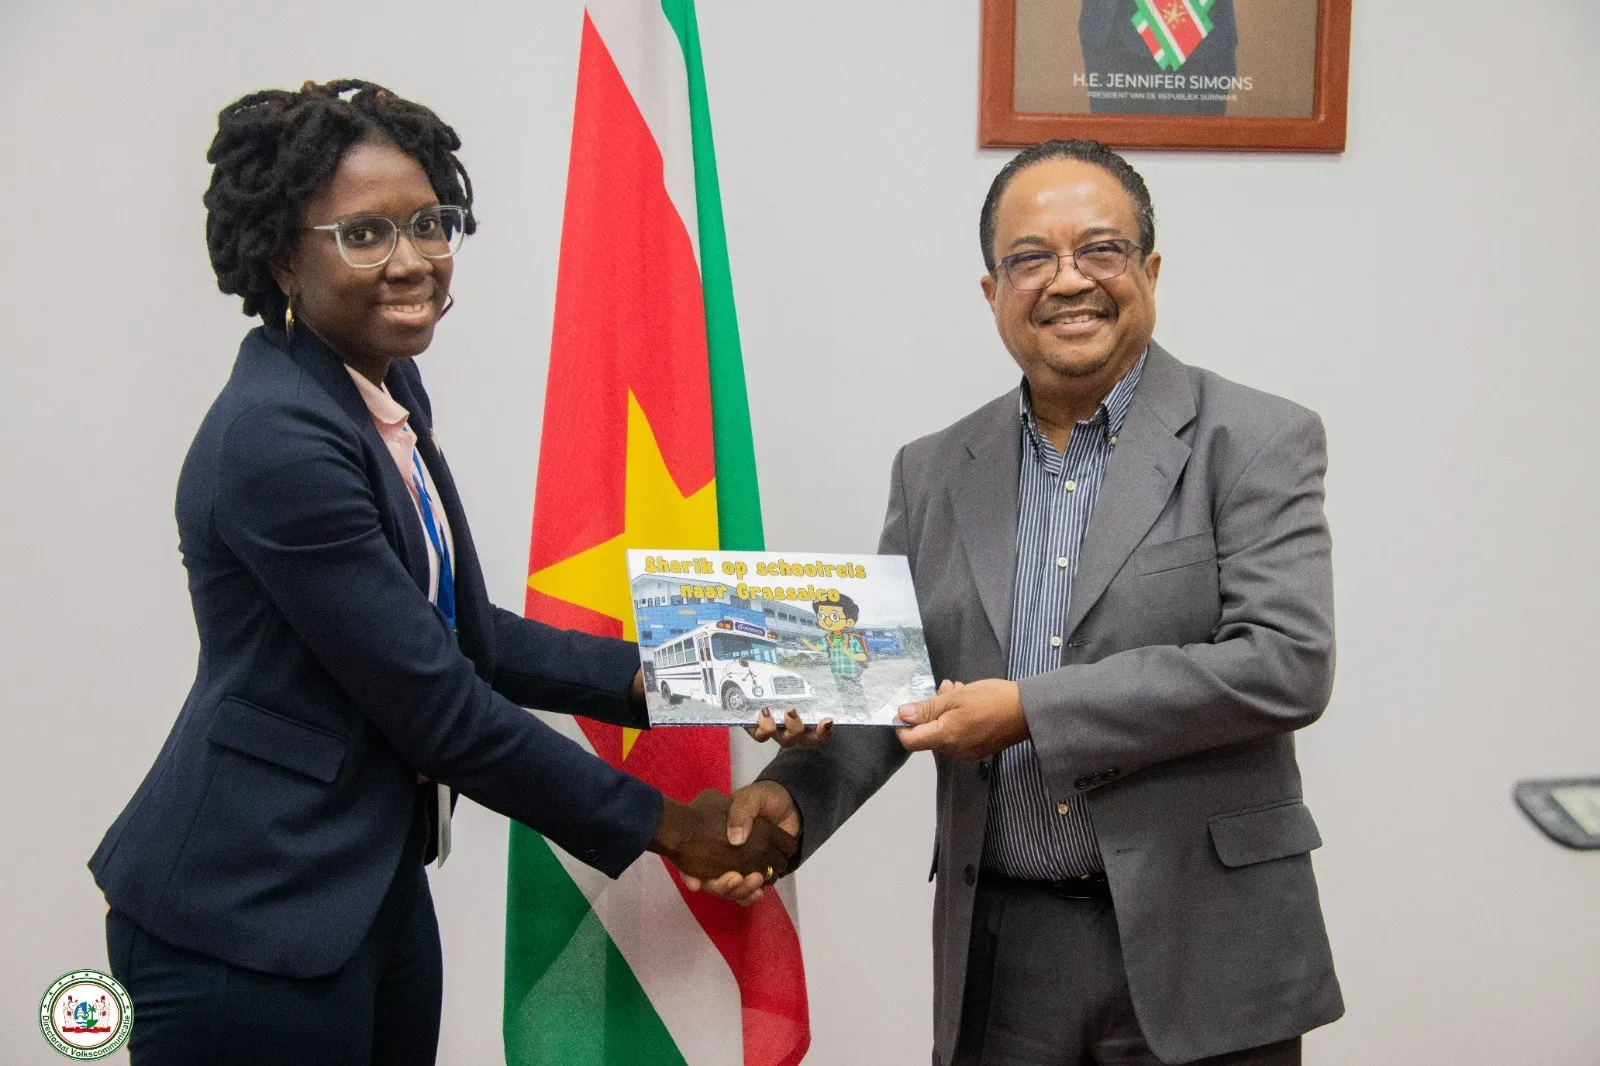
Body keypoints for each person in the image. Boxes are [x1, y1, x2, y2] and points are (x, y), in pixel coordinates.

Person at [88, 80, 792, 1066]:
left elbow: (460, 632)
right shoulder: (277, 439)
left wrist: (709, 668)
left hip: (363, 884)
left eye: (430, 222)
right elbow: (440, 709)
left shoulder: (372, 386)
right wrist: (674, 827)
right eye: (364, 235)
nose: (413, 258)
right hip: (245, 913)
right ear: (285, 256)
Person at [713, 140, 1342, 1064]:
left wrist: (1030, 711)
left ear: (1150, 271)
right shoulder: (934, 469)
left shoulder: (1254, 439)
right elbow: (893, 683)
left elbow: (1285, 663)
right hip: (1005, 952)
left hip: (1204, 947)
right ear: (993, 291)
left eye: (1101, 249)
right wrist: (794, 800)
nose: (1068, 280)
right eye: (1031, 258)